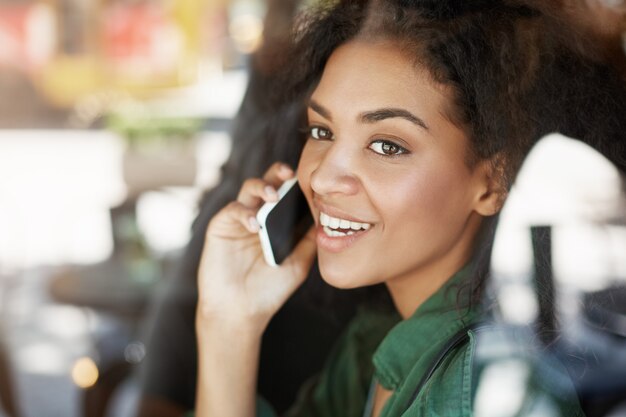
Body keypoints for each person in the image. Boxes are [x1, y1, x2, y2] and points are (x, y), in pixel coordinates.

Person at [194, 0, 626, 416]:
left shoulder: (474, 388)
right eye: (321, 131)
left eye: (386, 145)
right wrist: (227, 324)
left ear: (495, 181)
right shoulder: (377, 340)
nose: (323, 178)